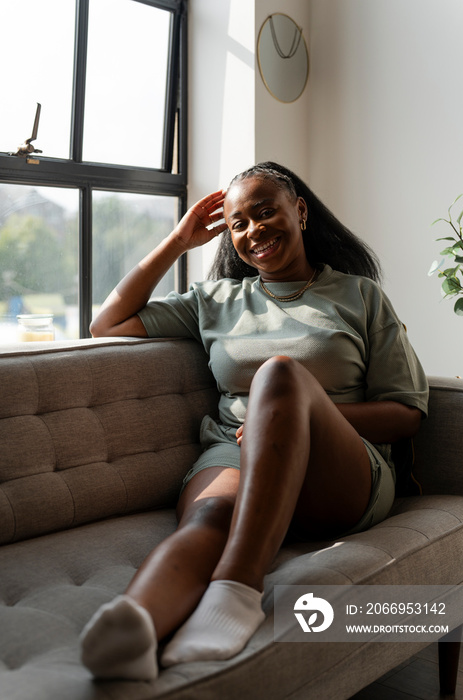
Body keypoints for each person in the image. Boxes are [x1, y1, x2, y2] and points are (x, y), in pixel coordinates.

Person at [80, 162, 429, 681]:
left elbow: (405, 414)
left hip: (341, 469)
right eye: (239, 222)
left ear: (300, 212)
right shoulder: (215, 299)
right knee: (207, 519)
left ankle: (238, 591)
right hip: (233, 450)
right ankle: (136, 627)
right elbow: (106, 323)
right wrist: (179, 241)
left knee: (280, 377)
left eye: (266, 212)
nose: (253, 230)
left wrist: (292, 417)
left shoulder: (360, 296)